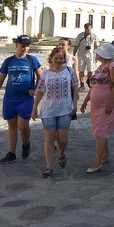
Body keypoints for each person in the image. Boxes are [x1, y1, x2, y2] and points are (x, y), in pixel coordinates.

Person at [0, 35, 43, 163]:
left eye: (27, 46)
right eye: (22, 46)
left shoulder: (32, 60)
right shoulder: (9, 61)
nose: (25, 48)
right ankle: (11, 153)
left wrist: (35, 90)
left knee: (23, 125)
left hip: (25, 99)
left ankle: (26, 144)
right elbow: (0, 80)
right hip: (10, 98)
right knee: (12, 126)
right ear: (16, 45)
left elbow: (41, 77)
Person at [31, 46, 79, 176]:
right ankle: (49, 166)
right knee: (49, 138)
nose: (58, 60)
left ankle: (61, 152)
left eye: (61, 58)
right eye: (56, 58)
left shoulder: (69, 71)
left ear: (64, 59)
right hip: (48, 110)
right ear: (51, 58)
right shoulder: (45, 73)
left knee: (62, 139)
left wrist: (75, 104)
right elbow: (39, 91)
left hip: (65, 109)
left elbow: (75, 87)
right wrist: (34, 108)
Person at [80, 42, 114, 173]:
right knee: (100, 131)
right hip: (96, 106)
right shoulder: (100, 67)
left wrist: (110, 102)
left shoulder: (112, 66)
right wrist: (86, 100)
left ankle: (97, 161)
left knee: (101, 131)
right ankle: (105, 155)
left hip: (106, 105)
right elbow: (94, 85)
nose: (96, 54)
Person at [73, 23, 100, 90]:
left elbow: (96, 46)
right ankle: (82, 84)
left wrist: (97, 56)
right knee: (81, 70)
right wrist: (74, 54)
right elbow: (76, 45)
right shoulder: (80, 35)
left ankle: (88, 80)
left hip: (90, 55)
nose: (87, 30)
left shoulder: (94, 36)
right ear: (84, 28)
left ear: (91, 28)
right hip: (81, 55)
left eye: (89, 29)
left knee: (91, 70)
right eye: (86, 29)